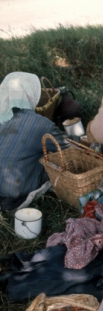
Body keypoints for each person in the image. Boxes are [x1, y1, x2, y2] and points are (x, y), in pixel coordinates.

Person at [0, 72, 69, 210]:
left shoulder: (3, 117)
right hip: (15, 187)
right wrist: (81, 139)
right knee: (50, 157)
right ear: (32, 95)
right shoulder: (41, 123)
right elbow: (65, 145)